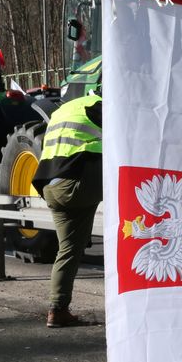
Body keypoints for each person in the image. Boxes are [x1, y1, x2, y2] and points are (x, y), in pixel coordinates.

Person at [32, 91, 103, 328]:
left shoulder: (65, 108)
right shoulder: (101, 106)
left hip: (50, 186)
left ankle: (57, 310)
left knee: (69, 250)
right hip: (76, 184)